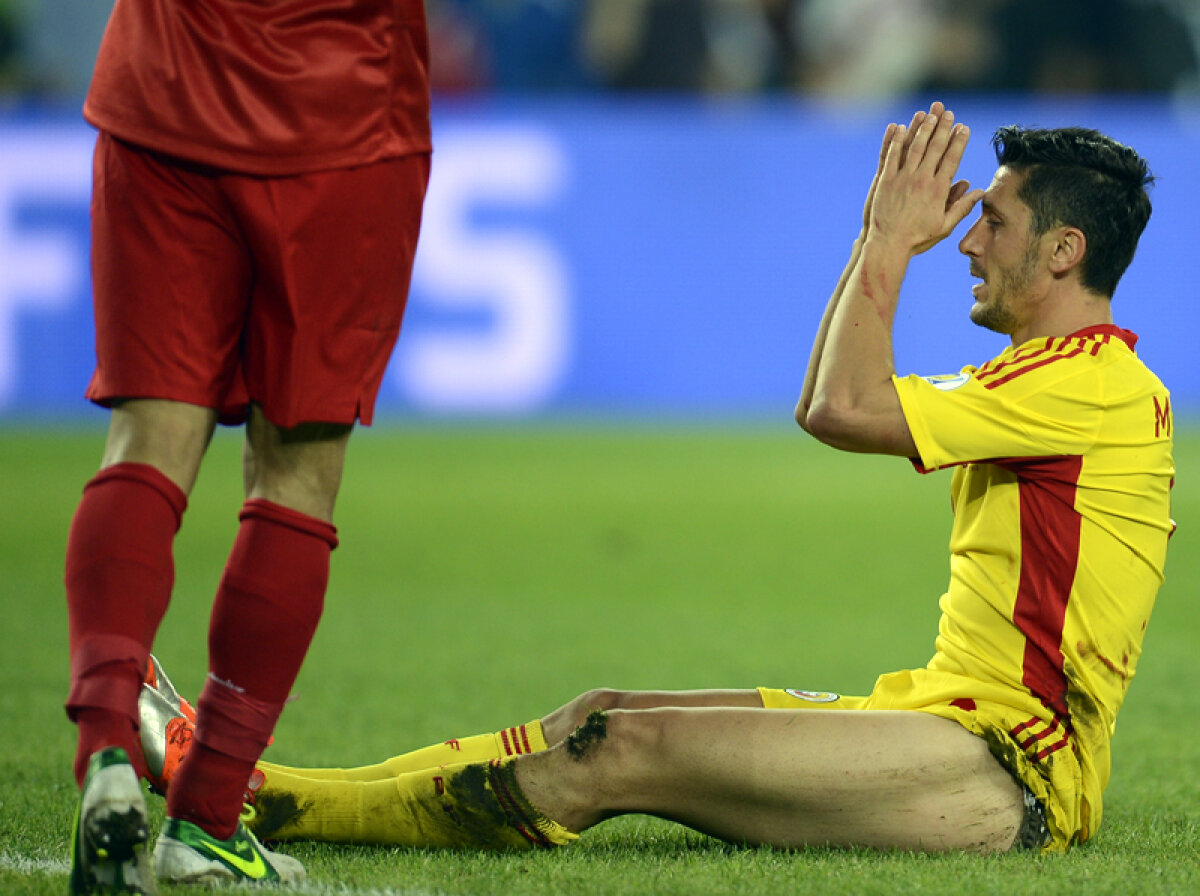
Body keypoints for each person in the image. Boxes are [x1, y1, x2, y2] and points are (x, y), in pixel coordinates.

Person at [141, 101, 1172, 860]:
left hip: (1007, 768)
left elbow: (842, 408)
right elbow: (824, 402)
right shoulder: (1061, 378)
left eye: (994, 221)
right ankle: (261, 783)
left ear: (1063, 250)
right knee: (599, 710)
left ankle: (257, 801)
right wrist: (876, 238)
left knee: (617, 750)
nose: (970, 240)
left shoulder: (1088, 386)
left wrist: (890, 244)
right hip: (944, 721)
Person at [64, 2, 432, 892]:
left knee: (146, 442)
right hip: (343, 122)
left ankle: (107, 745)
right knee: (296, 472)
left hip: (166, 90)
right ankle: (207, 816)